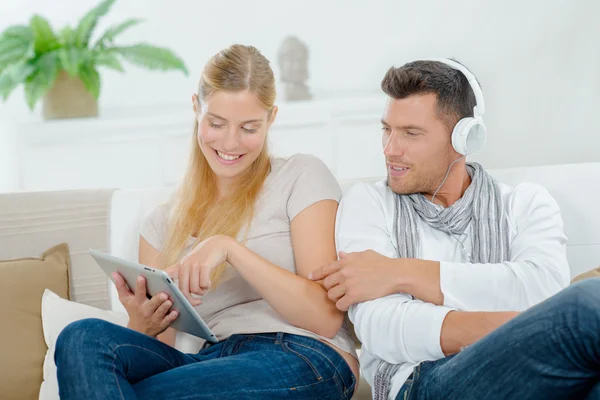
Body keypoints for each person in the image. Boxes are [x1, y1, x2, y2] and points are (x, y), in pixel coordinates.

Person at [54, 44, 358, 400]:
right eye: (216, 123)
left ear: (271, 119)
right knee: (81, 337)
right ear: (196, 107)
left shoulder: (301, 175)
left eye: (248, 127)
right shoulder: (162, 223)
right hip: (211, 361)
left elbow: (325, 318)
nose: (230, 143)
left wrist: (226, 247)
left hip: (302, 354)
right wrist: (142, 322)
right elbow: (160, 342)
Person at [309, 58, 600, 400]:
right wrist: (520, 326)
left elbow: (543, 290)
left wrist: (400, 271)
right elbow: (382, 327)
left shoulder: (526, 204)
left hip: (524, 374)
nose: (390, 149)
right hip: (423, 381)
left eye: (411, 134)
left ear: (465, 138)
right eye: (387, 129)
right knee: (588, 303)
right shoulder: (369, 203)